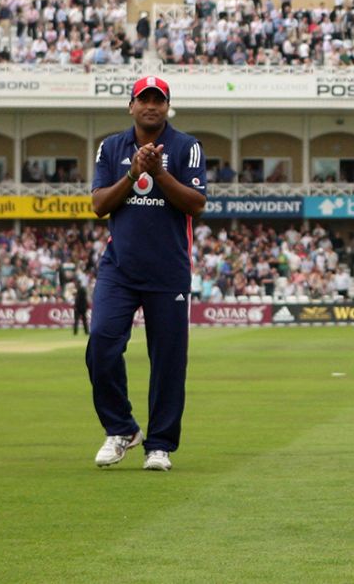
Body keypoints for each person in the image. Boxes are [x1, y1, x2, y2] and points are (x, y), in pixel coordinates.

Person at [87, 76, 206, 472]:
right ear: (131, 106)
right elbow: (99, 206)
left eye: (159, 100)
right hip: (119, 267)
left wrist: (158, 173)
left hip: (168, 270)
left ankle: (159, 446)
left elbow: (196, 204)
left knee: (168, 361)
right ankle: (122, 429)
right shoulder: (111, 147)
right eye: (144, 99)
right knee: (101, 345)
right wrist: (131, 173)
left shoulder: (187, 147)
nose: (151, 106)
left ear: (168, 106)